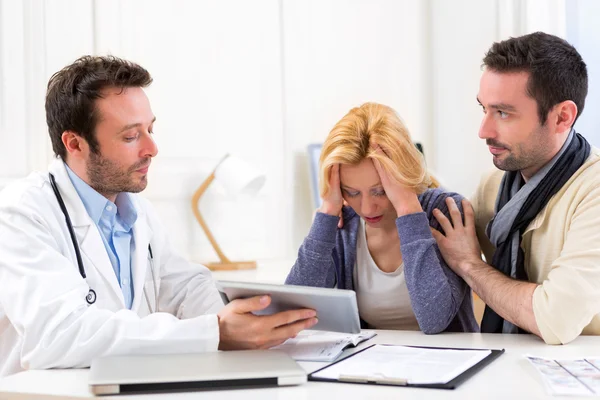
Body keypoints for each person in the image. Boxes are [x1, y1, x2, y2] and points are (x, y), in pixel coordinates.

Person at [0, 55, 317, 377]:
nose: (152, 148)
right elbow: (56, 336)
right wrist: (215, 332)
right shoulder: (20, 213)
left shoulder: (136, 211)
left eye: (150, 129)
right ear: (75, 143)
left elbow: (184, 288)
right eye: (130, 136)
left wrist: (249, 319)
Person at [431, 32, 600, 345]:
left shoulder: (594, 191)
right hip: (508, 367)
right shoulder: (495, 184)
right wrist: (354, 208)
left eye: (503, 113)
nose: (484, 131)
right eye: (484, 109)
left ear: (562, 117)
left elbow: (555, 319)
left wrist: (469, 265)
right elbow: (432, 227)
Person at [286, 102, 478, 334]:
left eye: (380, 191)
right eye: (352, 192)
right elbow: (294, 311)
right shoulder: (343, 222)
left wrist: (408, 208)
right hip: (372, 365)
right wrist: (327, 212)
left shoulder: (445, 212)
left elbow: (434, 320)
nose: (366, 208)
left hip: (449, 364)